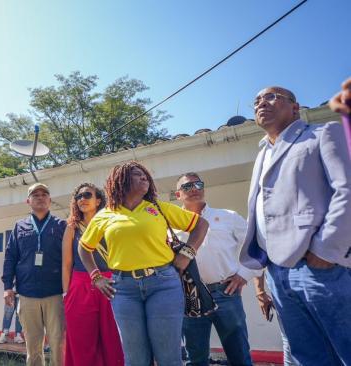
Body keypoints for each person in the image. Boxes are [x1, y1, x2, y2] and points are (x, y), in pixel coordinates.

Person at [239, 86, 351, 365]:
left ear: (295, 107)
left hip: (321, 267)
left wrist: (326, 249)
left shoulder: (323, 133)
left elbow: (346, 189)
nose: (262, 102)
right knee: (306, 357)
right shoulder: (262, 154)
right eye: (257, 100)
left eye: (272, 96)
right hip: (277, 272)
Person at [78, 161, 208, 366]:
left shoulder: (158, 208)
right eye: (137, 175)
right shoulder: (105, 214)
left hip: (163, 284)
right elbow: (84, 248)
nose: (144, 178)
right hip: (123, 290)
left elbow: (201, 224)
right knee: (135, 358)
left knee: (168, 356)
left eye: (145, 175)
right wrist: (96, 277)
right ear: (121, 181)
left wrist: (187, 253)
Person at [174, 173, 259, 366]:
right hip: (189, 297)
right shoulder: (170, 225)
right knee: (195, 359)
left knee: (240, 356)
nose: (194, 189)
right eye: (187, 187)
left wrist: (244, 275)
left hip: (226, 293)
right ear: (178, 194)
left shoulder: (227, 217)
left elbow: (255, 246)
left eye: (198, 184)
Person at [2, 183, 66, 366]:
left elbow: (69, 259)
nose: (40, 197)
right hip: (27, 294)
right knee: (33, 345)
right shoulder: (19, 226)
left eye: (44, 194)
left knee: (57, 343)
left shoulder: (61, 225)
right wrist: (8, 287)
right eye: (35, 194)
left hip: (55, 294)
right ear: (28, 201)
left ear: (50, 200)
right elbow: (10, 258)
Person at [62, 183, 123, 366]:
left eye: (87, 195)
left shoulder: (111, 222)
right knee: (82, 342)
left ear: (98, 200)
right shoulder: (72, 227)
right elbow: (66, 264)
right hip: (79, 286)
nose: (82, 199)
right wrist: (66, 294)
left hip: (110, 285)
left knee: (112, 341)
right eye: (78, 196)